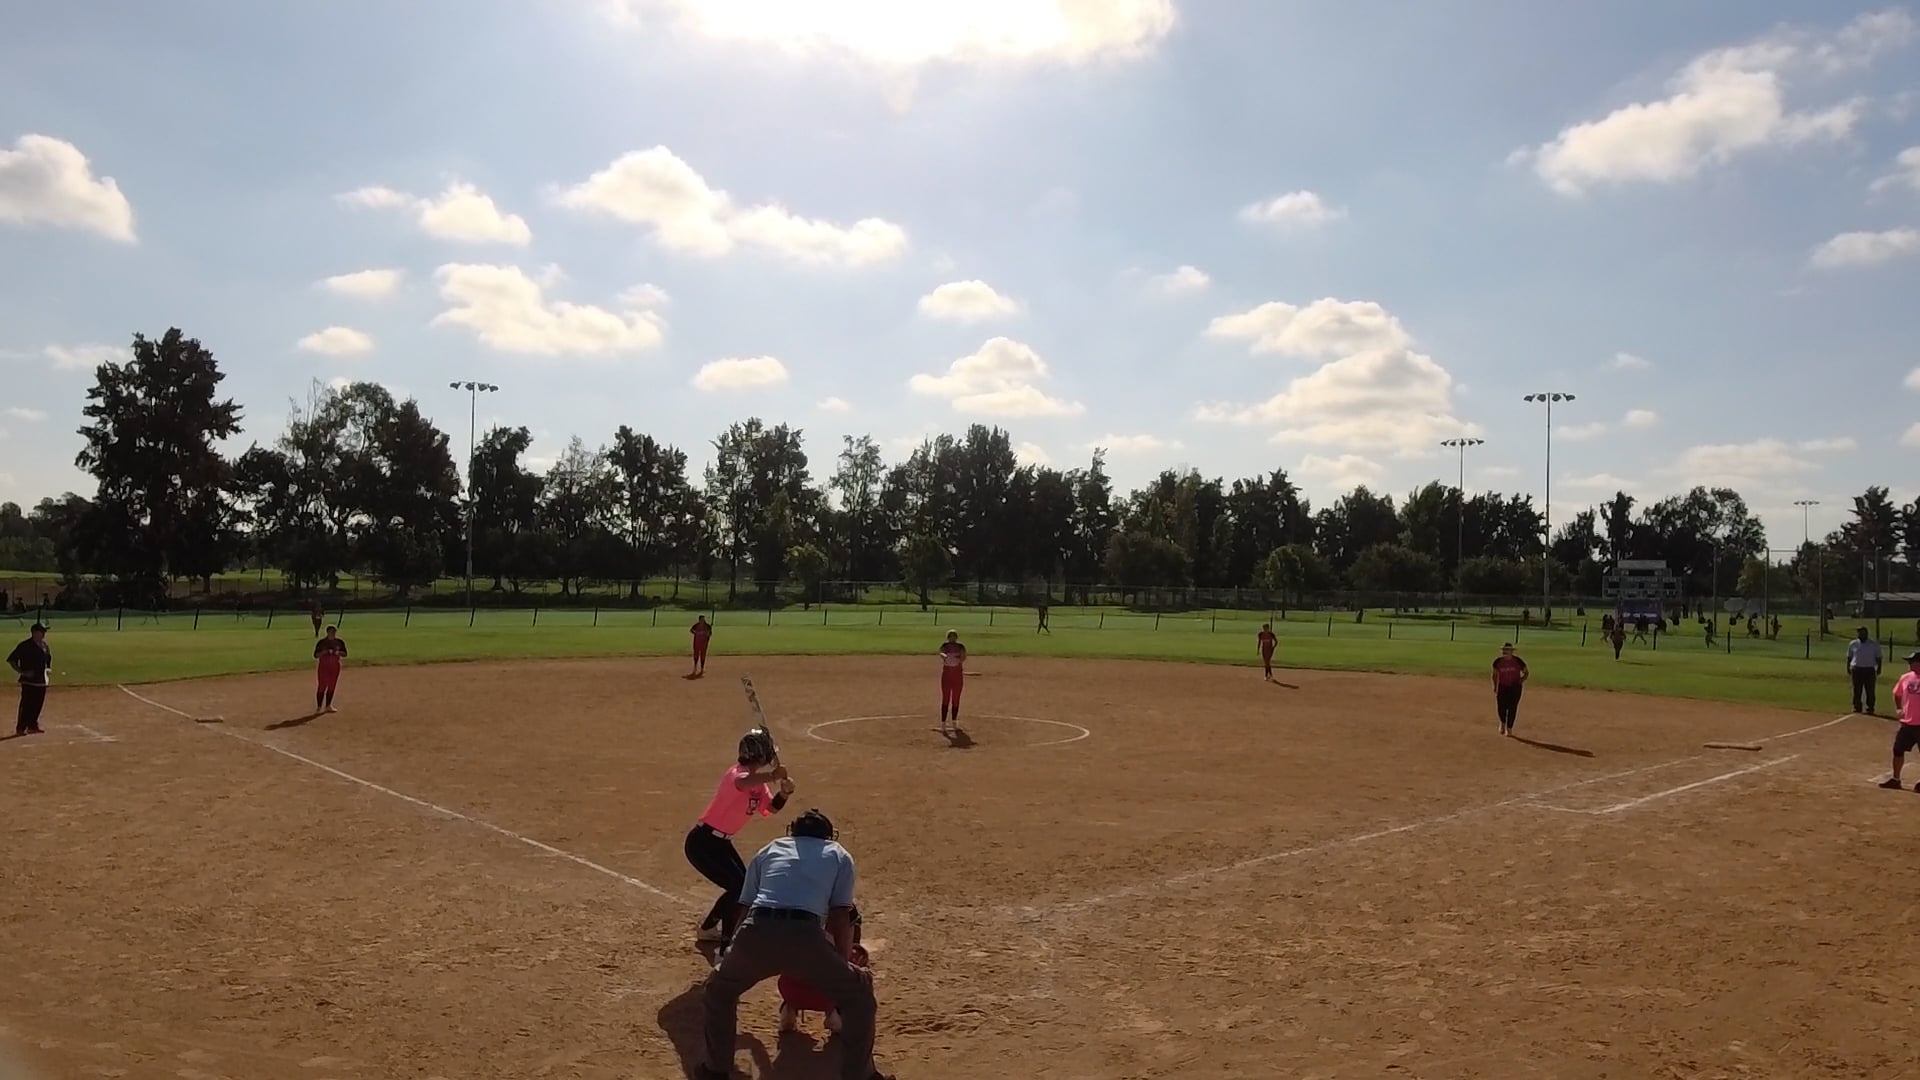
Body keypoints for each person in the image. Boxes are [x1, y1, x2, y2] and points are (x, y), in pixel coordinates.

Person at [698, 808, 892, 1080]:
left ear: (792, 833)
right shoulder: (837, 853)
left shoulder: (769, 850)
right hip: (805, 935)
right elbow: (840, 914)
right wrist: (841, 962)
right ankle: (860, 1076)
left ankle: (715, 1072)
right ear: (828, 836)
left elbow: (743, 906)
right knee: (859, 994)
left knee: (719, 990)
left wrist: (733, 951)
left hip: (756, 930)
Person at [686, 727, 793, 952]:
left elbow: (770, 809)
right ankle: (726, 946)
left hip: (720, 844)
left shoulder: (758, 784)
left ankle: (708, 929)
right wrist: (773, 775)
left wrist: (783, 794)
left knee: (741, 888)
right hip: (703, 843)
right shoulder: (737, 774)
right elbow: (743, 782)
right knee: (738, 889)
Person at [778, 905, 871, 1034]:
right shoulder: (843, 908)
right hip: (826, 997)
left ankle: (789, 1008)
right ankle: (836, 1013)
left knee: (794, 960)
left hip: (789, 990)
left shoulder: (791, 903)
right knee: (855, 957)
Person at [1877, 651, 1920, 790]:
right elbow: (1897, 693)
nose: (1909, 664)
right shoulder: (1905, 677)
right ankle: (1896, 779)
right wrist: (1899, 708)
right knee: (1898, 750)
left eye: (1912, 661)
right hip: (1907, 723)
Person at [8, 623, 50, 736]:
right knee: (27, 704)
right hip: (29, 681)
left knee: (38, 704)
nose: (44, 634)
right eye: (42, 631)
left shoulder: (44, 645)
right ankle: (21, 727)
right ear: (34, 633)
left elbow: (47, 660)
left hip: (41, 681)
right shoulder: (25, 646)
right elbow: (12, 660)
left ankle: (32, 725)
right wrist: (23, 672)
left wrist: (47, 670)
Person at [1491, 642, 1527, 736]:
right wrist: (1495, 686)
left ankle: (1509, 728)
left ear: (1511, 652)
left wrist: (1521, 680)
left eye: (1507, 650)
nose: (1505, 652)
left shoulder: (1518, 661)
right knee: (1501, 707)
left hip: (1515, 688)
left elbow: (1526, 672)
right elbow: (1494, 675)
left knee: (1512, 707)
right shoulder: (1497, 662)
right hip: (1502, 687)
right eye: (1504, 650)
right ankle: (1502, 722)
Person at [1848, 626, 1883, 715]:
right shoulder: (1853, 644)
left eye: (1862, 632)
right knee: (1857, 689)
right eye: (1859, 632)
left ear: (1866, 633)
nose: (1860, 634)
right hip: (1856, 669)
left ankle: (1870, 707)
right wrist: (1848, 667)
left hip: (1869, 669)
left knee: (1870, 690)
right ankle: (1857, 706)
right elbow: (1849, 657)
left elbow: (1879, 657)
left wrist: (1879, 668)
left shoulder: (1873, 644)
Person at [313, 625, 347, 713]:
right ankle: (319, 706)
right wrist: (323, 652)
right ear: (327, 632)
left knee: (332, 685)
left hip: (335, 666)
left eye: (334, 632)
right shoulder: (322, 643)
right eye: (331, 632)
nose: (332, 634)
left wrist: (338, 652)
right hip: (323, 667)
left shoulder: (339, 642)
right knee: (322, 686)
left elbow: (345, 654)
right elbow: (316, 655)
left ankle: (328, 705)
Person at [938, 630, 966, 734]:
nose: (952, 638)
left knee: (956, 698)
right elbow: (941, 653)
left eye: (954, 636)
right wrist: (945, 656)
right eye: (950, 636)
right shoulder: (945, 646)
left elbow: (964, 656)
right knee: (945, 698)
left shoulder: (960, 646)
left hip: (957, 676)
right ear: (948, 637)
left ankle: (954, 722)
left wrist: (957, 659)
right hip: (946, 676)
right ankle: (943, 723)